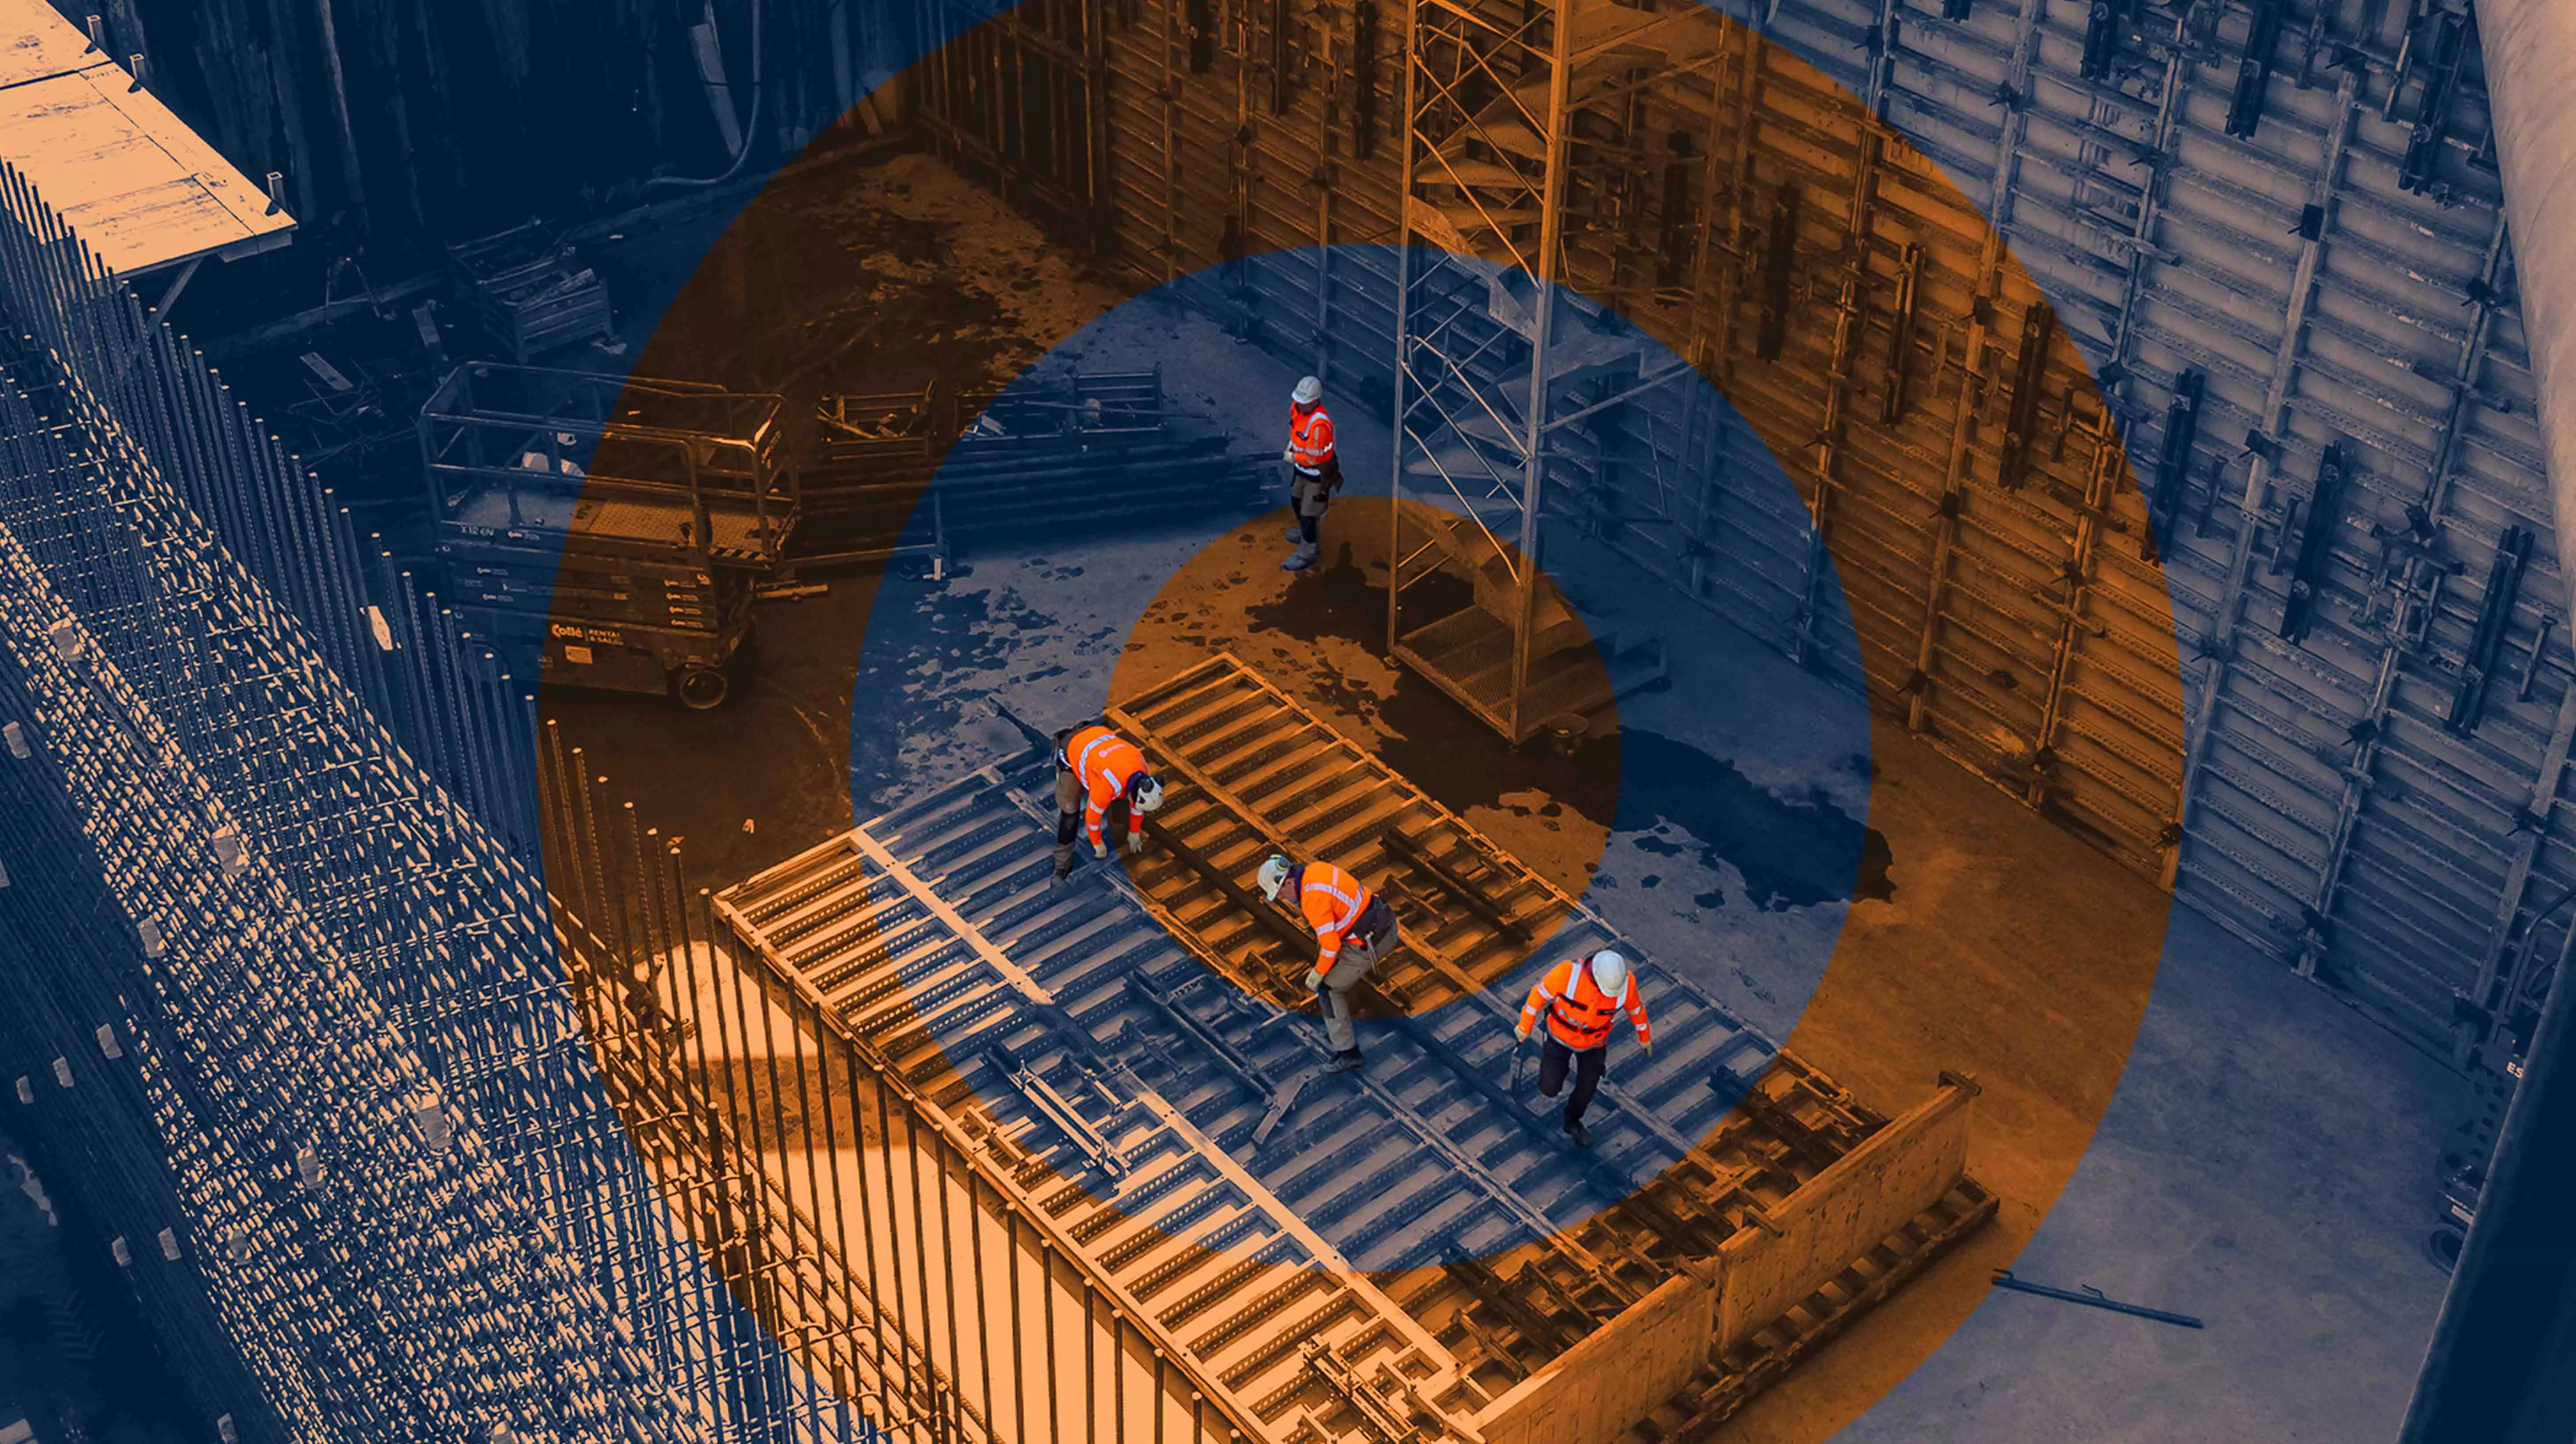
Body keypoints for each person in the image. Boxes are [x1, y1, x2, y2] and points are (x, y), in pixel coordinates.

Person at [1257, 853, 1396, 1072]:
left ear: (1289, 882)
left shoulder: (1312, 900)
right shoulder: (1317, 869)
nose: (1284, 899)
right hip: (1383, 920)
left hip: (1372, 942)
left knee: (1328, 990)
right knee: (1328, 957)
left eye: (1281, 893)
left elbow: (1331, 947)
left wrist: (1318, 974)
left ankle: (1348, 1054)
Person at [1514, 949, 1652, 1148]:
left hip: (1594, 1044)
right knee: (1549, 1088)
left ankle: (1572, 1120)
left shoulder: (1625, 985)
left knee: (1587, 1088)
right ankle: (1554, 1077)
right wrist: (1524, 1027)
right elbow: (1538, 997)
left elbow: (1636, 1011)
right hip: (1560, 1037)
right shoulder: (1566, 974)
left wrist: (1645, 1038)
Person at [1051, 722, 1166, 881]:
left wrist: (1134, 833)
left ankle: (1118, 831)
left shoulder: (1143, 769)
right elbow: (1092, 821)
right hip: (1072, 748)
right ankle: (1062, 864)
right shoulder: (1107, 786)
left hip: (1097, 734)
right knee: (1070, 808)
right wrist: (1098, 845)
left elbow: (1136, 807)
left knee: (1119, 800)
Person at [1280, 375, 1341, 573]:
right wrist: (1293, 447)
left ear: (1316, 401)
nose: (1300, 404)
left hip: (1317, 475)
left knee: (1309, 514)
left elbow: (1315, 458)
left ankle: (1308, 553)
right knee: (1296, 501)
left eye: (1304, 402)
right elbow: (1296, 430)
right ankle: (1305, 533)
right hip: (1302, 469)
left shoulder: (1320, 426)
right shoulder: (1297, 409)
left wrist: (1294, 457)